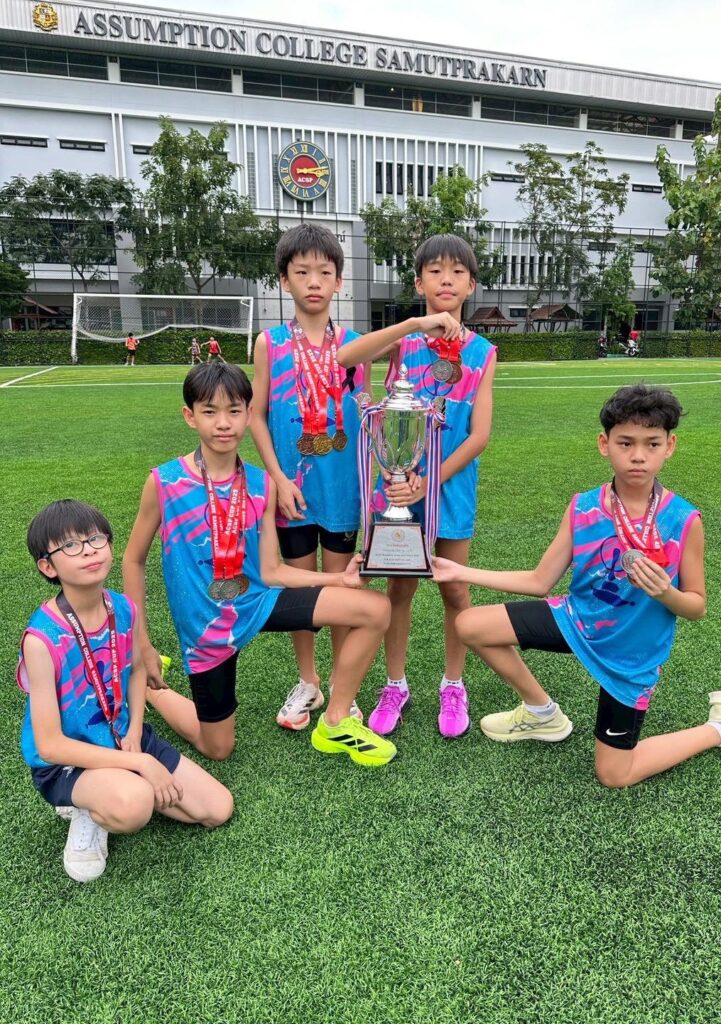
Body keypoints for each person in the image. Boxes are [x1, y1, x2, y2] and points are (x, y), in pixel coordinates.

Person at [432, 384, 721, 787]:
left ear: (669, 446)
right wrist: (460, 571)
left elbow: (697, 607)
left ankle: (715, 729)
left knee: (615, 774)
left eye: (652, 444)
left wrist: (664, 593)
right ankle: (541, 713)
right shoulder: (583, 507)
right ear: (605, 444)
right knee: (469, 624)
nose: (638, 455)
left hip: (630, 656)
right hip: (578, 621)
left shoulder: (684, 521)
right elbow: (540, 581)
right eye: (626, 443)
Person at [122, 361, 396, 767]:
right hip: (206, 625)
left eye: (234, 411)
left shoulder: (262, 484)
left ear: (249, 415)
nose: (223, 423)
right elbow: (133, 560)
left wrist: (340, 578)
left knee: (375, 608)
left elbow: (272, 572)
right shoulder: (164, 483)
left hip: (256, 602)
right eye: (209, 411)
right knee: (218, 748)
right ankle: (149, 690)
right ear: (190, 416)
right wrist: (141, 645)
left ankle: (336, 721)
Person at [17, 499, 233, 884]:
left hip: (123, 737)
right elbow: (48, 745)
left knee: (218, 809)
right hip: (67, 760)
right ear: (48, 567)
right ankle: (86, 808)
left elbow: (135, 671)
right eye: (70, 545)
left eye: (95, 539)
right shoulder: (41, 639)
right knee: (135, 804)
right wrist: (142, 765)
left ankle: (118, 785)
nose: (88, 550)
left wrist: (134, 732)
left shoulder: (123, 608)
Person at [335, 233, 497, 739]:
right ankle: (396, 684)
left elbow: (479, 435)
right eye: (435, 271)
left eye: (457, 272)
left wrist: (430, 480)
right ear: (418, 282)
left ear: (471, 284)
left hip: (449, 488)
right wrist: (413, 324)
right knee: (399, 587)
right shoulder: (404, 342)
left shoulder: (483, 352)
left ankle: (453, 684)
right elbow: (345, 359)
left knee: (455, 588)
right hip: (397, 487)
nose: (446, 280)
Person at [250, 223, 369, 730]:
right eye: (302, 272)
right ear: (284, 280)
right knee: (300, 594)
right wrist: (277, 477)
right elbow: (256, 415)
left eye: (324, 272)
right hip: (291, 491)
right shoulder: (270, 343)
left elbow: (367, 409)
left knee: (342, 591)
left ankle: (344, 686)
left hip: (342, 489)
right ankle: (308, 681)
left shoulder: (356, 344)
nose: (313, 282)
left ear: (339, 281)